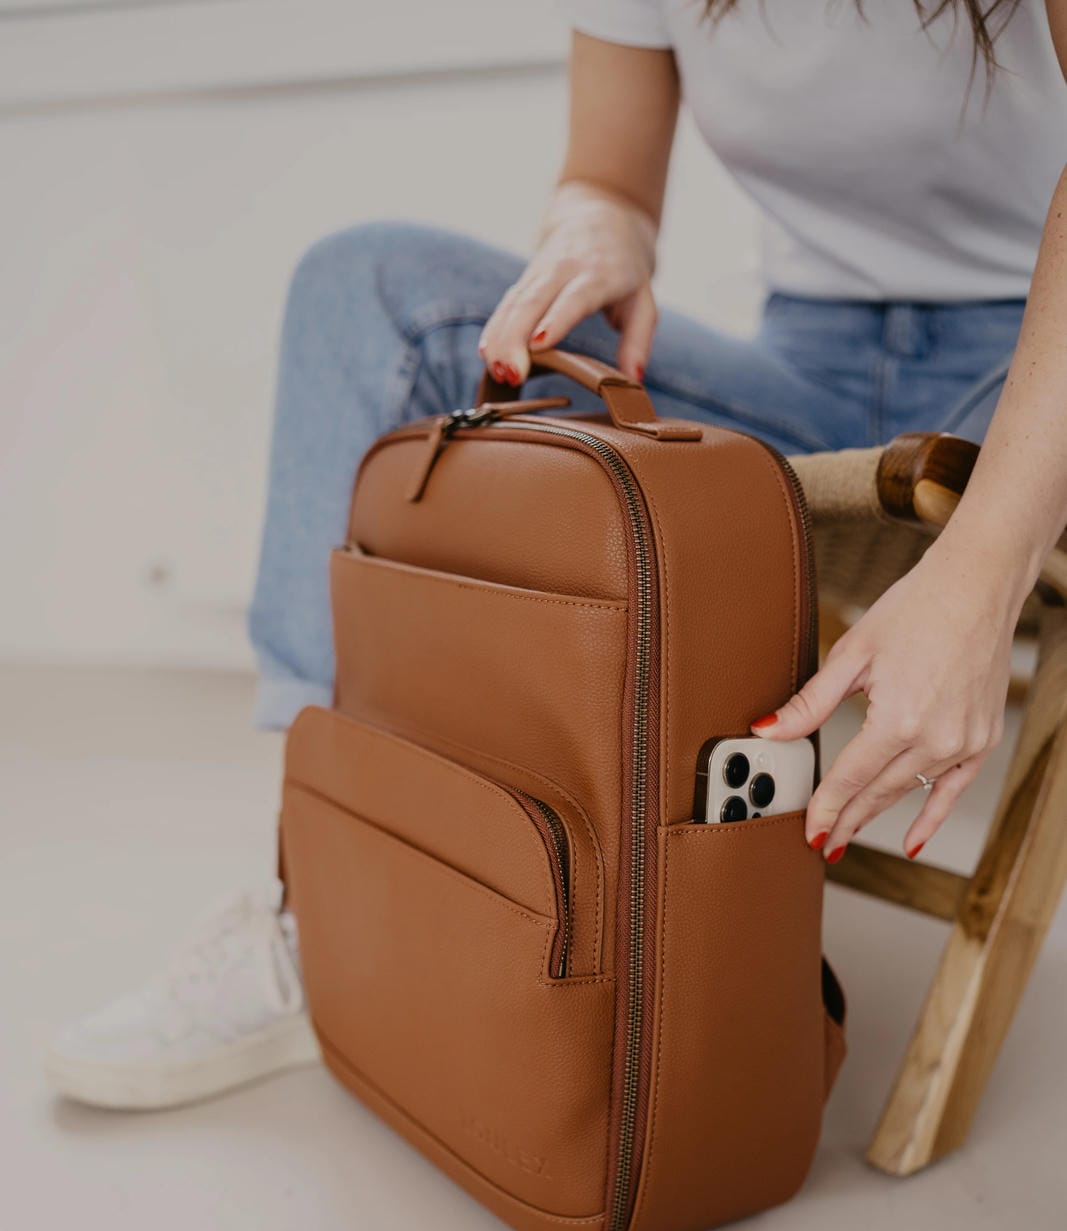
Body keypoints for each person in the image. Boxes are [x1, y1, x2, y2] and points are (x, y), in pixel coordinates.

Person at [47, 0, 1067, 1109]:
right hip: (807, 364)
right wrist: (599, 226)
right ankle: (319, 890)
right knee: (368, 290)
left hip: (1030, 363)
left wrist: (981, 565)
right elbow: (611, 178)